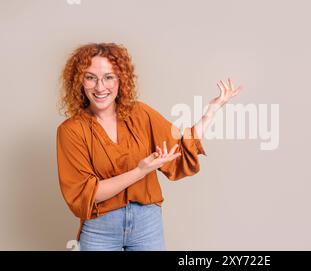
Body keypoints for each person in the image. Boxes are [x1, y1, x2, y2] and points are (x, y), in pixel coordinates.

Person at [56, 43, 242, 251]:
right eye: (91, 77)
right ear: (79, 81)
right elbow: (87, 193)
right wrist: (141, 171)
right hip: (101, 228)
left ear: (120, 80)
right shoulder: (70, 130)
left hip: (147, 224)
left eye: (109, 77)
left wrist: (211, 112)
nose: (100, 87)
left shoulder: (140, 113)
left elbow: (179, 151)